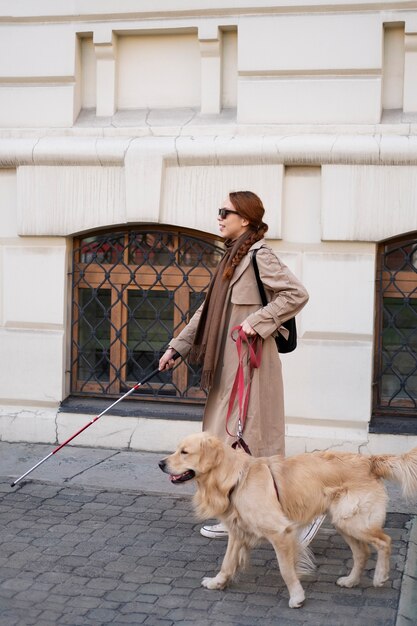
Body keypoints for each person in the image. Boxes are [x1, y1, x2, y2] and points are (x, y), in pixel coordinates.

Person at [159, 191, 324, 542]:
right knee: (223, 444)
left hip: (252, 368)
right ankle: (236, 512)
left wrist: (258, 321)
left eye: (225, 212)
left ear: (245, 219)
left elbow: (295, 294)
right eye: (219, 211)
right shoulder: (231, 259)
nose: (219, 217)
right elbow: (206, 313)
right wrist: (178, 347)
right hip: (225, 366)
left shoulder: (259, 256)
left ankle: (305, 514)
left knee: (257, 447)